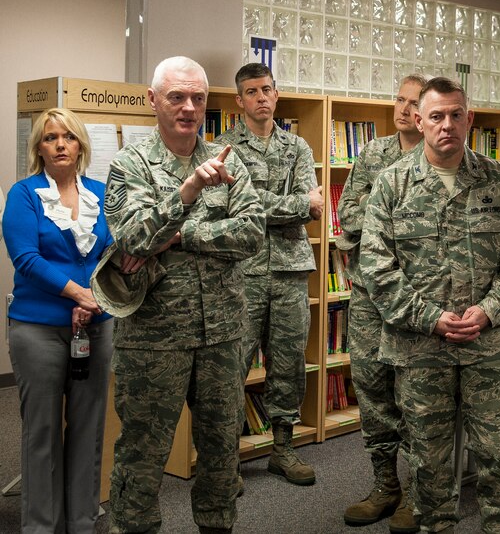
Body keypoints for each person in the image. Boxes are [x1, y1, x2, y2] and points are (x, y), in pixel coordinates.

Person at [361, 77, 500, 533]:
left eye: (456, 114)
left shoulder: (497, 180)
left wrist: (491, 308)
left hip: (488, 347)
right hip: (420, 352)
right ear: (418, 121)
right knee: (429, 468)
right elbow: (377, 269)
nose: (447, 125)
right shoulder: (391, 184)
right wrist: (430, 318)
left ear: (469, 118)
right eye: (436, 116)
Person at [103, 56, 264, 534]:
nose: (189, 107)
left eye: (198, 98)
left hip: (222, 336)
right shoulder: (129, 165)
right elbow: (133, 238)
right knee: (142, 457)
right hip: (153, 338)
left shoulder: (228, 158)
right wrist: (188, 192)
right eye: (177, 97)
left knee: (220, 454)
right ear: (153, 100)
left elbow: (253, 233)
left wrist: (179, 235)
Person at [2, 108, 114, 533]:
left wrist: (93, 300)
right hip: (38, 329)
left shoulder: (100, 194)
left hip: (95, 326)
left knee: (89, 427)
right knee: (42, 432)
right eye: (51, 138)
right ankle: (41, 526)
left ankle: (83, 521)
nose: (61, 144)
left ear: (81, 145)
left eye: (69, 136)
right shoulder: (24, 194)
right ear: (39, 148)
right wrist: (78, 293)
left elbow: (110, 255)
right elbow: (26, 259)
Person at [215, 62, 323, 487]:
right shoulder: (223, 148)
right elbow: (228, 209)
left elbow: (314, 208)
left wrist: (262, 205)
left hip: (291, 271)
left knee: (289, 362)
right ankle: (224, 460)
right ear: (239, 101)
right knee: (232, 365)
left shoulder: (297, 147)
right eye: (252, 91)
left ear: (276, 95)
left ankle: (283, 449)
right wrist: (291, 204)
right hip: (240, 271)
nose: (261, 97)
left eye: (267, 89)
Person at [336, 74, 426, 532]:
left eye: (414, 102)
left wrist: (384, 217)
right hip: (370, 294)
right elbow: (348, 212)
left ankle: (417, 493)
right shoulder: (373, 153)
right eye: (400, 99)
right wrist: (397, 215)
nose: (404, 108)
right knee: (371, 389)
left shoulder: (436, 159)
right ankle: (384, 485)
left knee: (411, 395)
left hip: (414, 299)